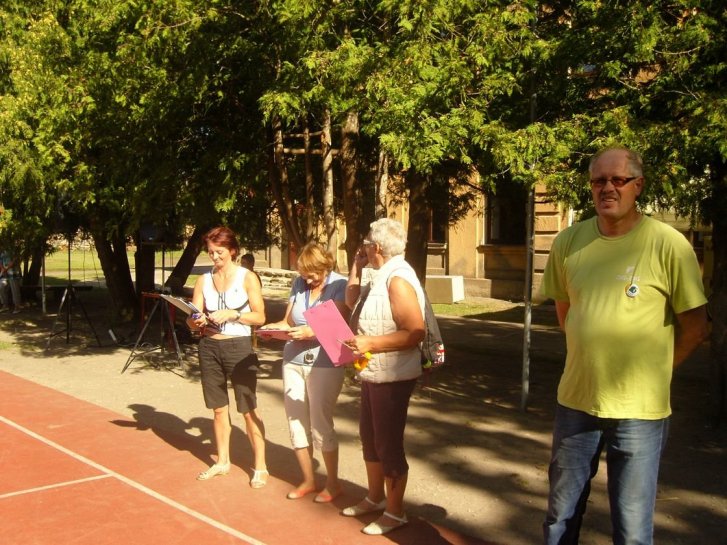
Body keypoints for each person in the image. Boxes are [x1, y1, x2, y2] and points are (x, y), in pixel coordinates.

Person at [540, 147, 709, 545]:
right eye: (599, 181)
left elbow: (696, 327)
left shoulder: (668, 245)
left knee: (632, 528)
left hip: (639, 411)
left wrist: (657, 371)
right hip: (576, 401)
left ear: (638, 185)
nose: (608, 188)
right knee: (560, 516)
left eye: (618, 180)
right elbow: (566, 312)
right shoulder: (569, 242)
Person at [340, 218, 426, 536]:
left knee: (388, 444)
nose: (362, 247)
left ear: (376, 246)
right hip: (373, 372)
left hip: (393, 375)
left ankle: (395, 511)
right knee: (370, 438)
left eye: (365, 243)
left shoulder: (397, 279)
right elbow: (351, 301)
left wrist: (371, 343)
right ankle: (375, 497)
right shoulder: (380, 274)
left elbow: (415, 332)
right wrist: (356, 266)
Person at [260, 242, 348, 502]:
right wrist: (271, 329)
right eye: (303, 275)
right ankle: (308, 480)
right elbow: (288, 321)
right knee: (296, 421)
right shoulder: (299, 283)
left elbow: (341, 326)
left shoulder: (339, 284)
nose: (307, 280)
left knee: (320, 422)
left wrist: (311, 331)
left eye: (312, 275)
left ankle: (333, 484)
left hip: (325, 362)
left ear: (324, 266)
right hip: (293, 360)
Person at [186, 226, 269, 487]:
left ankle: (261, 466)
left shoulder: (247, 277)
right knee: (219, 408)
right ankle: (223, 461)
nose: (215, 257)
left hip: (239, 347)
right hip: (209, 347)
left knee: (248, 408)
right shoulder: (203, 280)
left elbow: (260, 317)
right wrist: (195, 321)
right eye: (211, 252)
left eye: (219, 252)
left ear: (232, 250)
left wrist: (235, 314)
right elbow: (192, 317)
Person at [0, 248, 23, 314]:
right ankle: (5, 305)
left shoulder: (14, 249)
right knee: (2, 287)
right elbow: (0, 261)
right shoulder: (2, 250)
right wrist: (3, 269)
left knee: (15, 290)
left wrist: (6, 269)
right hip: (4, 273)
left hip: (13, 273)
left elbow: (14, 261)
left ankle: (17, 306)